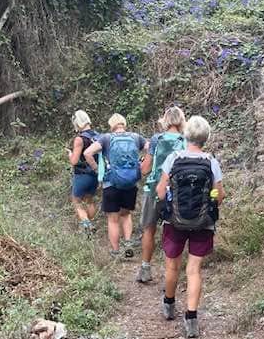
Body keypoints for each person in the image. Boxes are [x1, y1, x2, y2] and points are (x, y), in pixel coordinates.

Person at [156, 115, 224, 338]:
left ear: (186, 135)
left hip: (174, 220)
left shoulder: (174, 158)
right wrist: (210, 197)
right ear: (206, 137)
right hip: (203, 222)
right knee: (194, 270)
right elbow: (219, 196)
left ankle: (168, 305)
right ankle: (191, 319)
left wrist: (171, 200)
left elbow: (160, 190)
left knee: (172, 266)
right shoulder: (211, 162)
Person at [85, 114, 147, 258]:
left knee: (113, 219)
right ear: (124, 124)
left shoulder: (106, 138)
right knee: (126, 215)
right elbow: (151, 149)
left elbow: (88, 153)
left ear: (111, 124)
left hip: (111, 183)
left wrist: (98, 170)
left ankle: (115, 251)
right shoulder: (136, 137)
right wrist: (142, 165)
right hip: (130, 183)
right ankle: (128, 244)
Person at [136, 106, 186, 284]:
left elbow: (145, 169)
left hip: (153, 190)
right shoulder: (185, 140)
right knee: (171, 232)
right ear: (181, 120)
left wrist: (141, 164)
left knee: (149, 229)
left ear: (165, 120)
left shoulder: (157, 139)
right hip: (176, 193)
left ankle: (145, 269)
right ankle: (170, 277)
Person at [67, 110, 99, 233]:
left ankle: (87, 226)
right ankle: (90, 224)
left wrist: (70, 154)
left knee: (76, 201)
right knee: (89, 200)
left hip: (82, 175)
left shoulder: (80, 139)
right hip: (95, 175)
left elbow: (74, 161)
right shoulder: (98, 136)